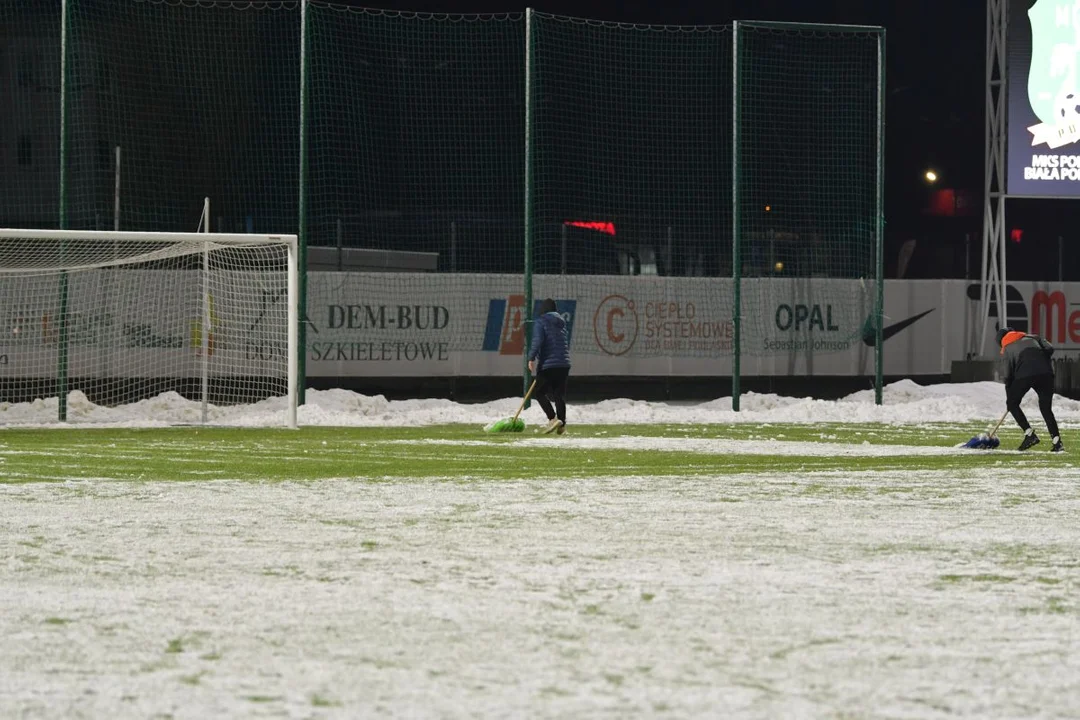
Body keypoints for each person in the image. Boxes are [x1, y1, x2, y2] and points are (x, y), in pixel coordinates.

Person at [998, 326, 1063, 452]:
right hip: (1046, 372)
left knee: (1012, 403)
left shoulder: (1007, 347)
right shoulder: (1033, 337)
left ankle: (1030, 435)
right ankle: (1057, 442)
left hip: (1025, 374)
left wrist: (1010, 400)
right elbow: (1050, 348)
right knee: (1046, 408)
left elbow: (1008, 375)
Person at [527, 298, 571, 435]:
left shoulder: (541, 322)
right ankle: (562, 424)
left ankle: (552, 419)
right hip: (564, 364)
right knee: (559, 394)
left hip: (548, 364)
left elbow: (537, 341)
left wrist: (531, 358)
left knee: (539, 392)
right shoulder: (562, 323)